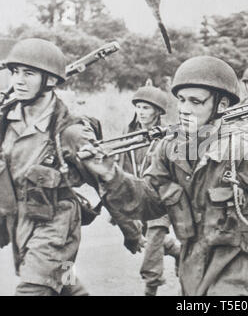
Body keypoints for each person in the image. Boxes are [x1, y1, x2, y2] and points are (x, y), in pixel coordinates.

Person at [82, 55, 248, 296]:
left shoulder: (246, 151)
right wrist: (111, 174)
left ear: (222, 104)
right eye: (181, 99)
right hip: (193, 268)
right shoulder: (170, 148)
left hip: (240, 268)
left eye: (195, 101)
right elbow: (147, 203)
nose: (184, 108)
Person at [0, 38, 143, 296]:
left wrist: (130, 230)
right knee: (66, 284)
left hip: (56, 227)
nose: (18, 81)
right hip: (22, 224)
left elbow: (105, 182)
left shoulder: (71, 133)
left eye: (28, 74)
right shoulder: (7, 121)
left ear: (51, 81)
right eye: (15, 72)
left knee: (34, 288)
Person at [120, 84, 180, 296]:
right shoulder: (128, 134)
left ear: (158, 111)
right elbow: (122, 165)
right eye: (139, 107)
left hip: (160, 197)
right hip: (137, 195)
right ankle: (178, 252)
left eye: (147, 107)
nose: (141, 112)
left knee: (153, 239)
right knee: (152, 239)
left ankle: (151, 287)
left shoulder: (169, 135)